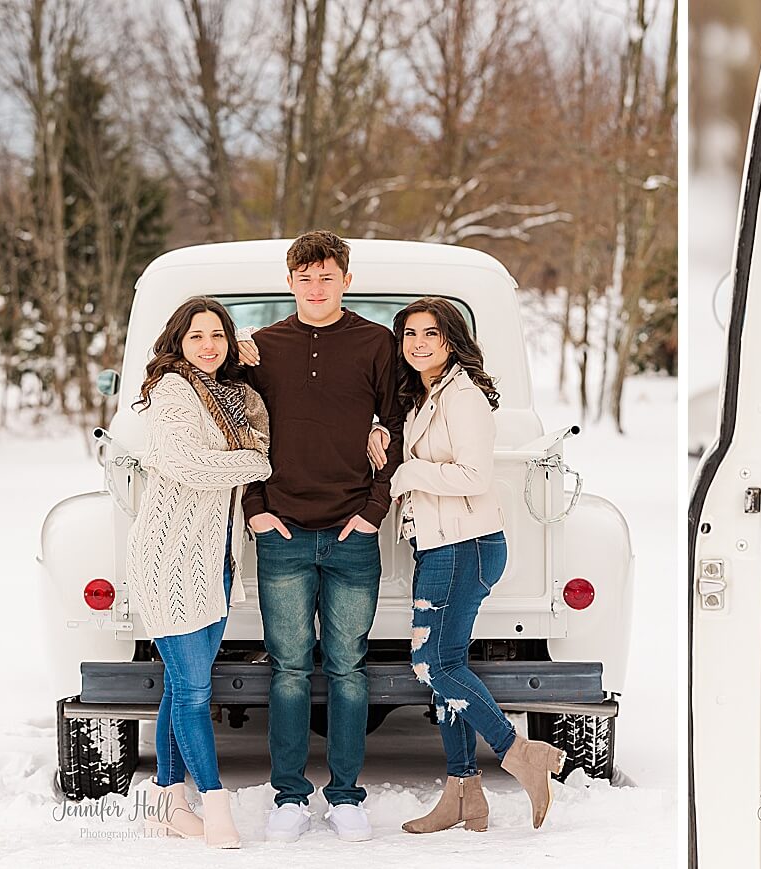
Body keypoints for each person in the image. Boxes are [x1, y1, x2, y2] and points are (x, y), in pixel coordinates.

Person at [236, 230, 406, 842]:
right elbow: (241, 434)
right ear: (290, 283)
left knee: (348, 670)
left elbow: (397, 426)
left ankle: (345, 796)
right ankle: (288, 797)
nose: (316, 287)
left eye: (327, 276)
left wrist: (373, 510)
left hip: (351, 532)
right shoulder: (262, 349)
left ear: (346, 280)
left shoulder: (376, 343)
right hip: (281, 528)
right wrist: (256, 507)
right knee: (286, 670)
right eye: (305, 277)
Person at [382, 297, 566, 834]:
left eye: (430, 333)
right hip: (443, 545)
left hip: (466, 545)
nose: (418, 343)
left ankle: (518, 752)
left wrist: (408, 473)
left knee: (433, 664)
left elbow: (473, 476)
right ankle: (464, 794)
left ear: (451, 340)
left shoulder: (463, 397)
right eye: (410, 334)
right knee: (446, 665)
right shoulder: (427, 395)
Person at [129, 297, 272, 849]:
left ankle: (167, 802)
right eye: (196, 337)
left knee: (179, 688)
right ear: (177, 343)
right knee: (192, 692)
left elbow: (256, 434)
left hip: (215, 561)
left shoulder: (226, 396)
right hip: (171, 562)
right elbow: (192, 465)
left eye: (218, 336)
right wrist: (257, 461)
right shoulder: (171, 391)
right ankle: (216, 808)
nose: (207, 346)